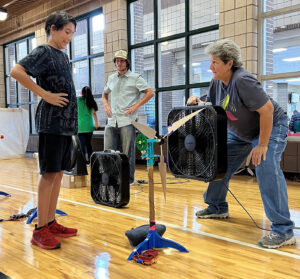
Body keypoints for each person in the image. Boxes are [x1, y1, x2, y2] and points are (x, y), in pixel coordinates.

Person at [187, 39, 295, 249]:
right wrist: (198, 102)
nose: (211, 67)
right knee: (218, 162)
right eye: (211, 62)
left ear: (230, 63)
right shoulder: (217, 81)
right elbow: (213, 104)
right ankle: (217, 207)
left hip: (271, 126)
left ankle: (283, 230)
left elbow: (267, 111)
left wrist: (262, 145)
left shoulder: (243, 80)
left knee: (265, 165)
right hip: (240, 133)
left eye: (215, 62)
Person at [10, 11, 78, 250]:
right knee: (49, 174)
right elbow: (16, 71)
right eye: (66, 32)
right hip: (51, 123)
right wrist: (45, 95)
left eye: (72, 33)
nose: (69, 37)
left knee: (58, 173)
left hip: (65, 124)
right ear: (53, 29)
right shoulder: (44, 52)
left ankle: (50, 222)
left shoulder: (63, 56)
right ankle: (39, 230)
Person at [102, 50, 154, 185]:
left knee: (127, 153)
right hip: (112, 121)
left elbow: (150, 93)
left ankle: (128, 180)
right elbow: (104, 94)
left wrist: (134, 107)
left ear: (127, 62)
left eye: (122, 60)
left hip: (127, 121)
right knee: (108, 151)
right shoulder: (112, 78)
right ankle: (110, 178)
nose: (119, 63)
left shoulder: (135, 78)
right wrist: (107, 106)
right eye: (117, 61)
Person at [77, 86, 99, 164]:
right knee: (88, 144)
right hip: (89, 126)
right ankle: (90, 161)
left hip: (80, 127)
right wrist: (96, 125)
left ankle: (83, 162)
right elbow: (94, 113)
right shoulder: (91, 101)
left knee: (82, 145)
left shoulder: (78, 100)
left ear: (82, 93)